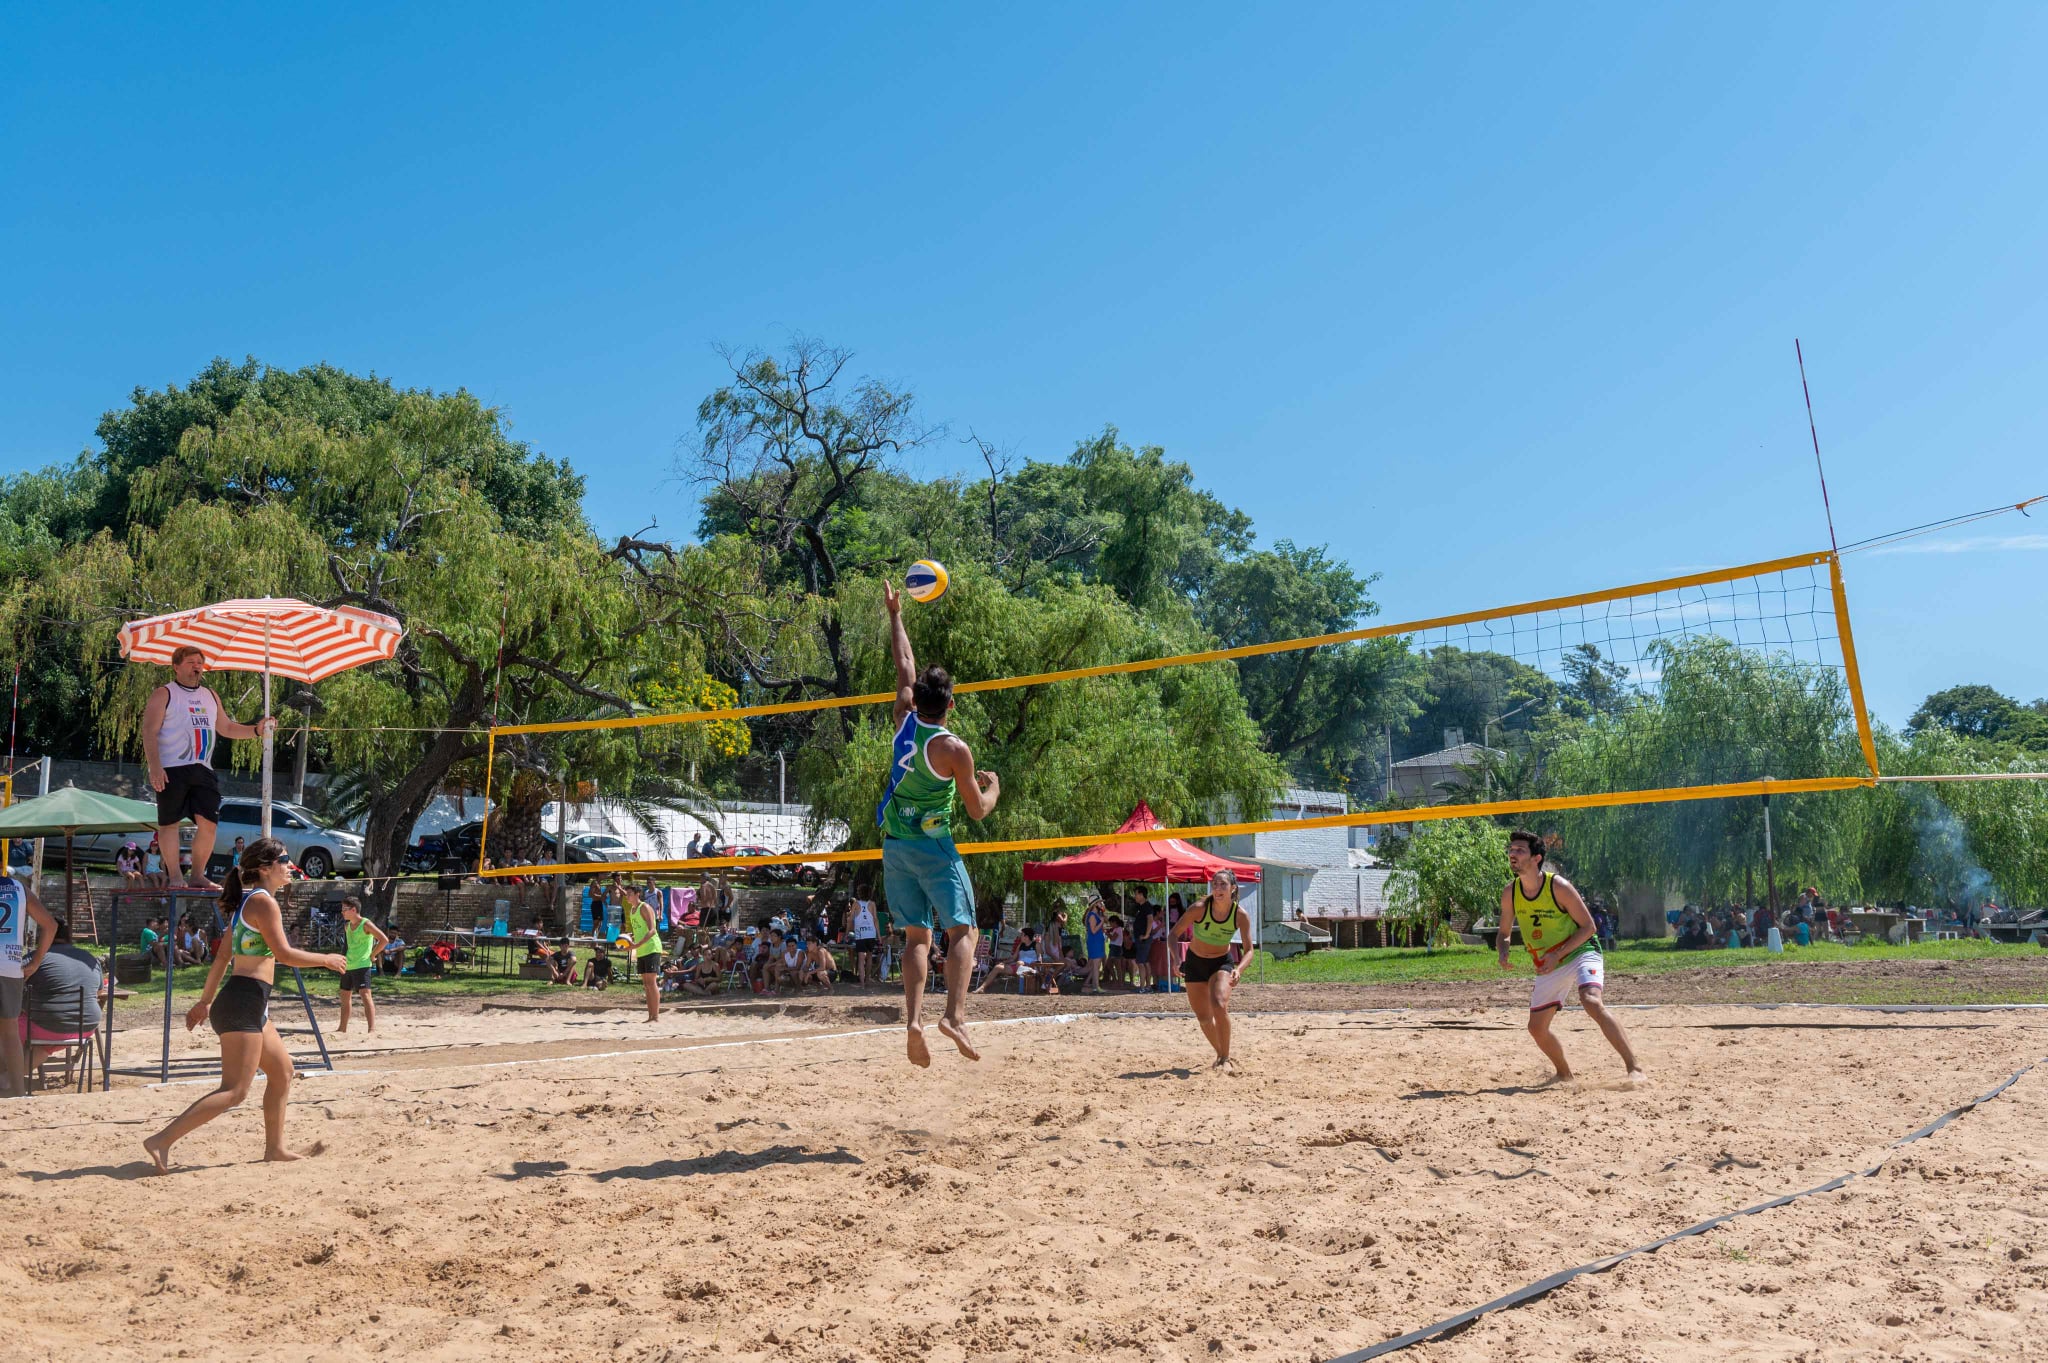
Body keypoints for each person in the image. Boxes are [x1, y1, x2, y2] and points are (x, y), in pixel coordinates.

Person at [143, 837, 348, 1171]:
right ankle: (161, 1141)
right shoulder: (263, 903)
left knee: (282, 1073)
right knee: (235, 1091)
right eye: (284, 860)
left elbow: (223, 956)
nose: (290, 867)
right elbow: (283, 954)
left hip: (246, 1000)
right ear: (265, 868)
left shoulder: (248, 903)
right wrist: (325, 959)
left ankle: (275, 1148)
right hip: (244, 1000)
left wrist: (205, 1002)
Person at [877, 580, 1000, 1068]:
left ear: (917, 697)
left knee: (916, 939)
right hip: (932, 846)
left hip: (895, 845)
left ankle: (912, 1021)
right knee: (964, 932)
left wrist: (895, 614)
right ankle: (954, 1016)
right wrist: (994, 786)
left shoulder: (903, 716)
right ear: (950, 703)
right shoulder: (953, 748)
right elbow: (977, 811)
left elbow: (904, 665)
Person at [1496, 829, 1644, 1086]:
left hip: (1580, 950)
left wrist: (1557, 954)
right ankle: (1564, 1074)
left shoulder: (1558, 886)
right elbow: (1504, 932)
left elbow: (1589, 928)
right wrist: (1503, 949)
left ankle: (1635, 1068)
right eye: (1511, 850)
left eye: (1519, 850)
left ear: (1536, 858)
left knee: (1591, 1001)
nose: (1512, 854)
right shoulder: (1511, 892)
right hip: (1549, 962)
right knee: (1536, 1028)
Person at [140, 646, 280, 892]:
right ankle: (174, 875)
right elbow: (149, 731)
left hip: (202, 768)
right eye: (191, 662)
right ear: (176, 666)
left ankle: (197, 874)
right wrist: (154, 767)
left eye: (200, 663)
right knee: (169, 823)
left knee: (209, 824)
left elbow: (226, 727)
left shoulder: (210, 695)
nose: (197, 667)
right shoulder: (163, 694)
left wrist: (257, 730)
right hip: (172, 767)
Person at [1170, 870, 1253, 1072]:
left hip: (1221, 963)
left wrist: (1239, 969)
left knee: (1219, 1003)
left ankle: (1225, 1059)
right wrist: (1176, 959)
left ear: (1233, 888)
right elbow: (1173, 935)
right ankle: (1221, 1054)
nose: (1217, 889)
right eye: (1215, 884)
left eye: (1222, 885)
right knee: (1204, 1018)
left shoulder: (1240, 915)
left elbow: (1249, 950)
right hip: (1195, 963)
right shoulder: (1199, 908)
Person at [0, 870, 58, 1098]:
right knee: (10, 1033)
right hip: (11, 966)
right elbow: (50, 925)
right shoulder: (18, 889)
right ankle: (18, 1093)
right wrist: (35, 962)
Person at [21, 921, 103, 1084]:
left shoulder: (35, 958)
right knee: (45, 1040)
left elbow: (12, 985)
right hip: (85, 1026)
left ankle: (10, 1075)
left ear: (42, 938)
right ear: (68, 938)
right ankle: (10, 1076)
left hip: (47, 1026)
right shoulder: (89, 958)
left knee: (7, 1027)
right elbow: (99, 991)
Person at [337, 898, 388, 1034]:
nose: (342, 912)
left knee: (365, 996)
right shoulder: (347, 926)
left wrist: (373, 955)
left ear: (353, 910)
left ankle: (371, 1029)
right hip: (348, 965)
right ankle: (342, 1028)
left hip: (362, 965)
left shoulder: (366, 924)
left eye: (344, 909)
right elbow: (346, 947)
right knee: (345, 996)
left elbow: (384, 940)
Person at [623, 885, 663, 1022]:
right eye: (626, 894)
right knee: (646, 984)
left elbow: (652, 930)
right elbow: (639, 931)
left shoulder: (644, 907)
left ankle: (655, 1016)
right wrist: (628, 940)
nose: (627, 896)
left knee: (652, 983)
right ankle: (650, 1015)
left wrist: (636, 945)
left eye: (629, 893)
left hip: (652, 947)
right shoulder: (632, 910)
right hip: (641, 949)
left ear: (637, 894)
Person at [848, 884, 881, 986]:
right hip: (871, 933)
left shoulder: (856, 904)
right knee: (869, 957)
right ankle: (867, 979)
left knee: (861, 959)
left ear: (860, 893)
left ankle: (862, 983)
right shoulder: (872, 904)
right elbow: (875, 920)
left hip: (861, 934)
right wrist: (879, 936)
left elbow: (850, 919)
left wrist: (846, 932)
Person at [1082, 896, 1107, 994]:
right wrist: (1101, 922)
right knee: (1096, 965)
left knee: (1097, 965)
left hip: (1098, 941)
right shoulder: (1092, 915)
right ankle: (1096, 987)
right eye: (1100, 903)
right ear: (1095, 904)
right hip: (1094, 942)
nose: (1101, 904)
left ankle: (1095, 986)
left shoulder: (1096, 915)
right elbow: (1093, 930)